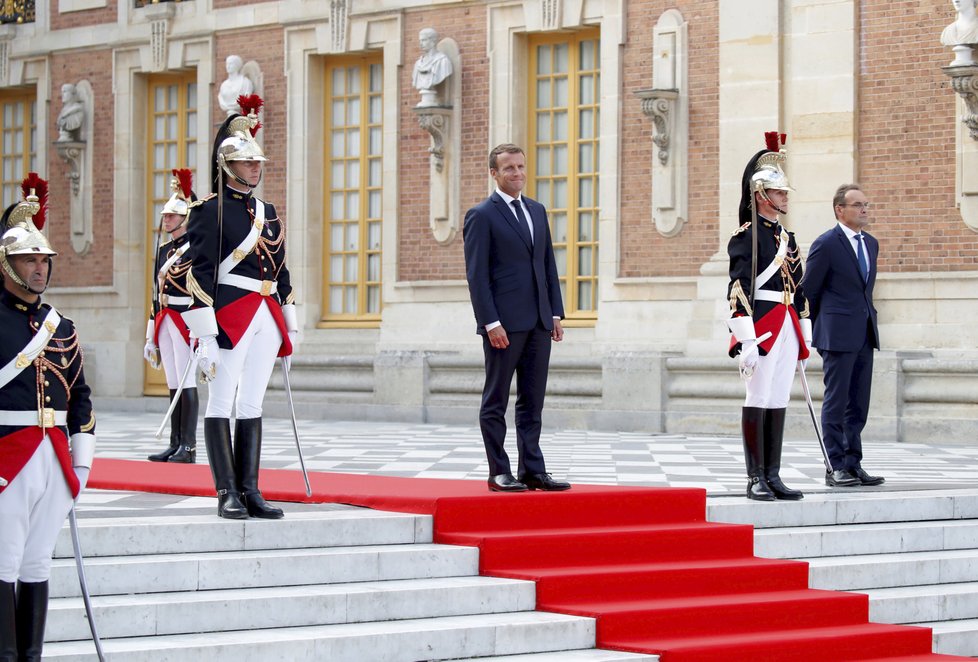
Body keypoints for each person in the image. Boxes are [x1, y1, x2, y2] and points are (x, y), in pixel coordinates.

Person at [181, 94, 297, 519]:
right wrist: (205, 334)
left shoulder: (267, 211)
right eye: (248, 162)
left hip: (266, 314)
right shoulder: (207, 211)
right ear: (228, 165)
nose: (256, 168)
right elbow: (199, 274)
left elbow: (280, 267)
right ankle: (225, 491)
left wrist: (291, 320)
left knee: (251, 403)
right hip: (229, 313)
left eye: (258, 162)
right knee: (221, 402)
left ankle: (250, 488)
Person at [0, 174, 96, 660]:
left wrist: (82, 464)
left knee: (37, 562)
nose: (39, 268)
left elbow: (80, 397)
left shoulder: (63, 325)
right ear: (6, 262)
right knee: (3, 561)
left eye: (43, 260)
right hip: (6, 457)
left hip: (54, 456)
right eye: (28, 259)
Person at [462, 143, 570, 493]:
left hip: (539, 321)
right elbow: (477, 276)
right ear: (494, 173)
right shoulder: (482, 215)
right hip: (504, 326)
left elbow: (547, 266)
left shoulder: (537, 211)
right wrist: (490, 322)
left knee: (532, 401)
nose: (518, 173)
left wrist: (555, 313)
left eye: (521, 167)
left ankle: (532, 470)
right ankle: (498, 471)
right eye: (509, 168)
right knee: (496, 400)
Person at [725, 132, 810, 501]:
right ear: (762, 195)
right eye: (779, 193)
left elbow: (799, 284)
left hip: (788, 320)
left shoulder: (785, 237)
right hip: (762, 324)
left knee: (778, 398)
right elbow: (738, 287)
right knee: (757, 396)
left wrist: (805, 326)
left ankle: (773, 474)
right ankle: (754, 476)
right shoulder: (747, 237)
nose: (785, 198)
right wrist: (745, 336)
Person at [801, 184, 885, 488]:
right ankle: (834, 465)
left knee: (858, 403)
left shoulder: (871, 243)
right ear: (840, 210)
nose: (864, 210)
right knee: (836, 402)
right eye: (858, 205)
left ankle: (853, 463)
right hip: (836, 334)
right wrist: (823, 325)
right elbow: (809, 290)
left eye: (866, 204)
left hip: (864, 332)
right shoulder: (827, 243)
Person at [143, 169, 199, 464]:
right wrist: (150, 333)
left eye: (173, 216)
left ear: (185, 218)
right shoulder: (165, 250)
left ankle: (188, 447)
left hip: (185, 319)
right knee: (174, 382)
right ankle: (174, 442)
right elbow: (156, 291)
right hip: (165, 318)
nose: (166, 220)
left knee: (187, 383)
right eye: (165, 216)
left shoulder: (195, 250)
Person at [412, 27, 453, 105]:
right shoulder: (418, 64)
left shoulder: (443, 61)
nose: (420, 44)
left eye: (424, 40)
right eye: (420, 41)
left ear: (433, 41)